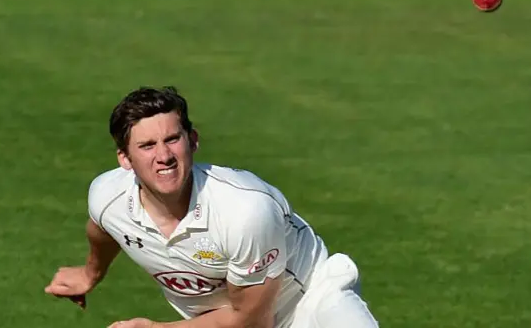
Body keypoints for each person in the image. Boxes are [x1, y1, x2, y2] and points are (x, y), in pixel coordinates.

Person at [44, 86, 379, 328]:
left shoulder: (244, 210)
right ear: (125, 159)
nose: (163, 156)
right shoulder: (108, 197)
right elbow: (101, 229)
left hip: (312, 302)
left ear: (192, 141)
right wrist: (90, 273)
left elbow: (251, 322)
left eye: (172, 140)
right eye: (146, 146)